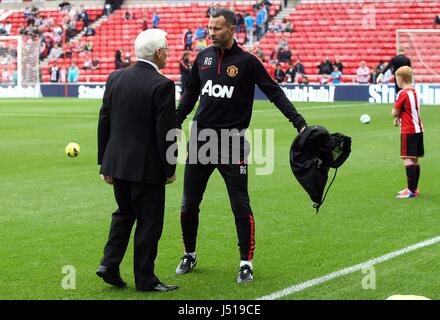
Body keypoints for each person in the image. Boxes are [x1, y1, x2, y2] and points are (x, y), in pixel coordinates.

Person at [175, 8, 307, 283]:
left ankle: (246, 262)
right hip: (200, 140)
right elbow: (188, 97)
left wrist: (299, 122)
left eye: (217, 28)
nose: (211, 33)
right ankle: (189, 253)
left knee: (240, 205)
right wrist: (173, 123)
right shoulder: (202, 58)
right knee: (189, 204)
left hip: (232, 142)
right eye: (209, 28)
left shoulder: (248, 62)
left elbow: (274, 93)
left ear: (233, 29)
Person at [97, 28, 178, 292]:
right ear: (157, 53)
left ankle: (109, 264)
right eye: (165, 48)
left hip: (117, 163)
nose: (168, 52)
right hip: (147, 167)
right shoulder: (162, 84)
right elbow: (164, 132)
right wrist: (170, 168)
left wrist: (105, 163)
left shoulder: (115, 78)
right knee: (149, 222)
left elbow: (105, 121)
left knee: (124, 213)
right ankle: (145, 280)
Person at [391, 66, 424, 199]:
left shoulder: (402, 93)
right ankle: (414, 188)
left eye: (396, 78)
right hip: (418, 129)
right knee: (415, 159)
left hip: (408, 130)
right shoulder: (415, 92)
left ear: (401, 78)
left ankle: (410, 191)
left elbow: (394, 112)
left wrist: (396, 116)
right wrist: (400, 117)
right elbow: (409, 110)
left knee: (407, 158)